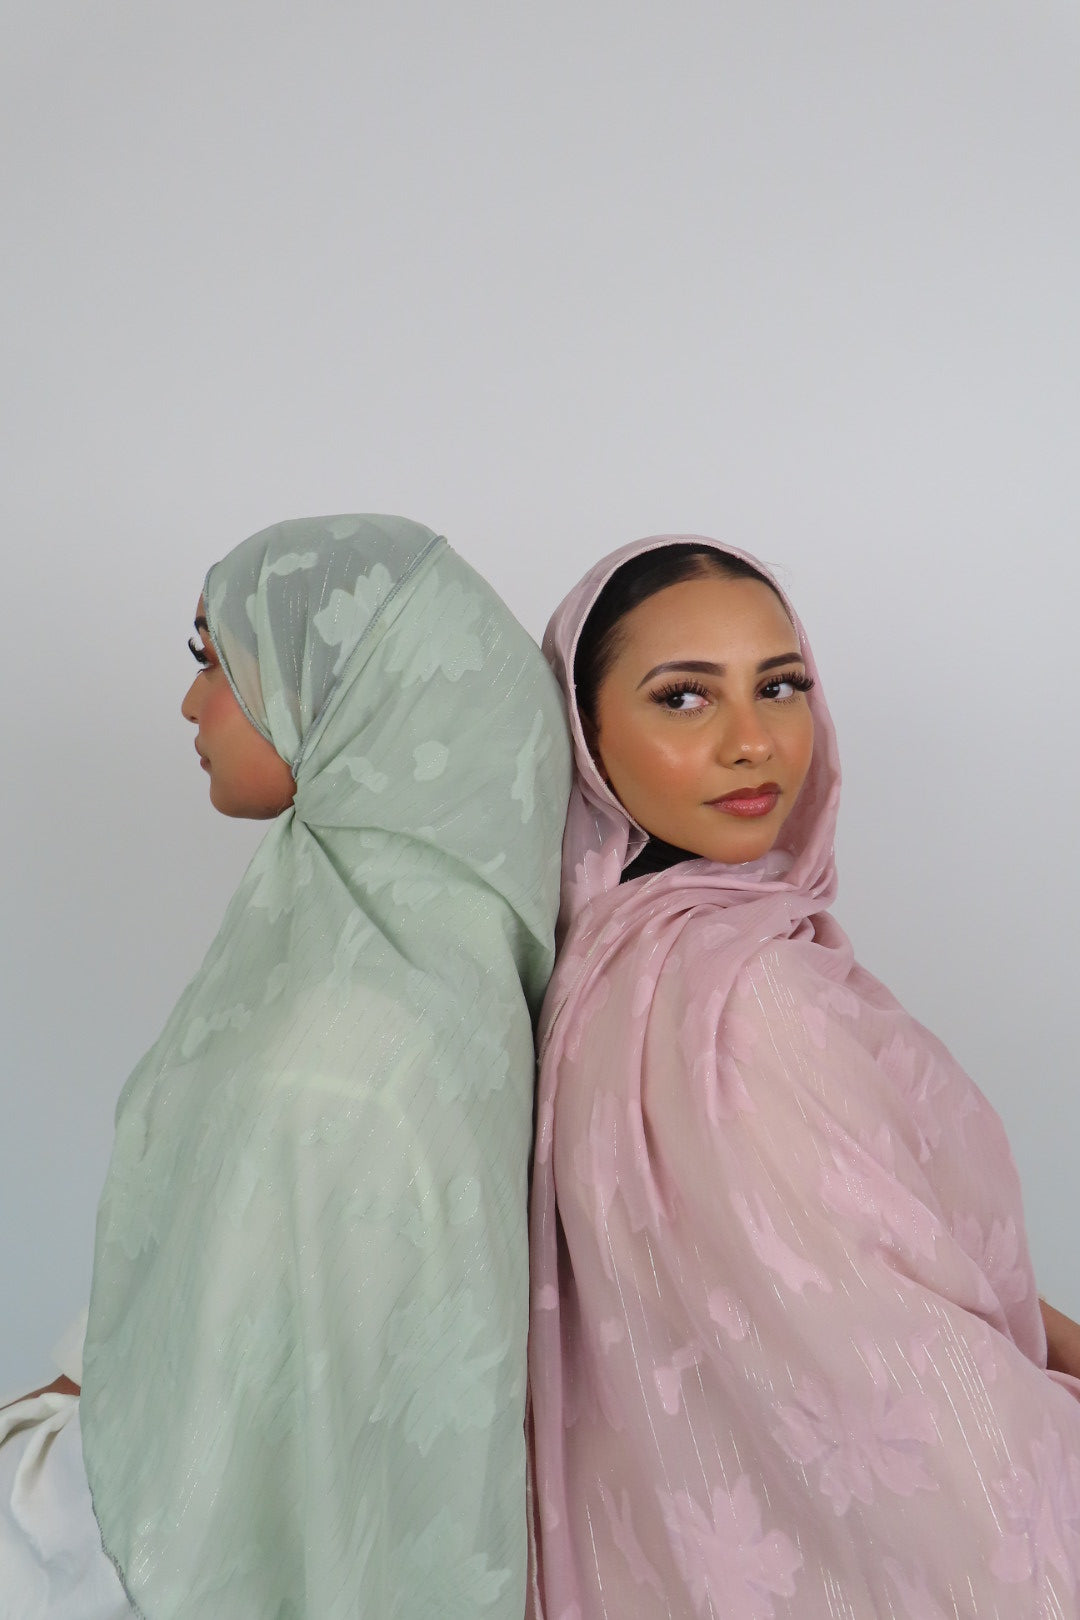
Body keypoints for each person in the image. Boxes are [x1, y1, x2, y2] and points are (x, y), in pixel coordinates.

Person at [1, 514, 571, 1620]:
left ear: (355, 691)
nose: (192, 704)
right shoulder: (384, 972)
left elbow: (222, 1480)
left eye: (216, 659)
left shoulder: (350, 1054)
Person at [527, 534, 1080, 1620]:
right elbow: (913, 1403)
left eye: (780, 686)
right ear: (584, 737)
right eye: (684, 698)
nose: (753, 742)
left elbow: (898, 1255)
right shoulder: (743, 1000)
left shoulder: (607, 966)